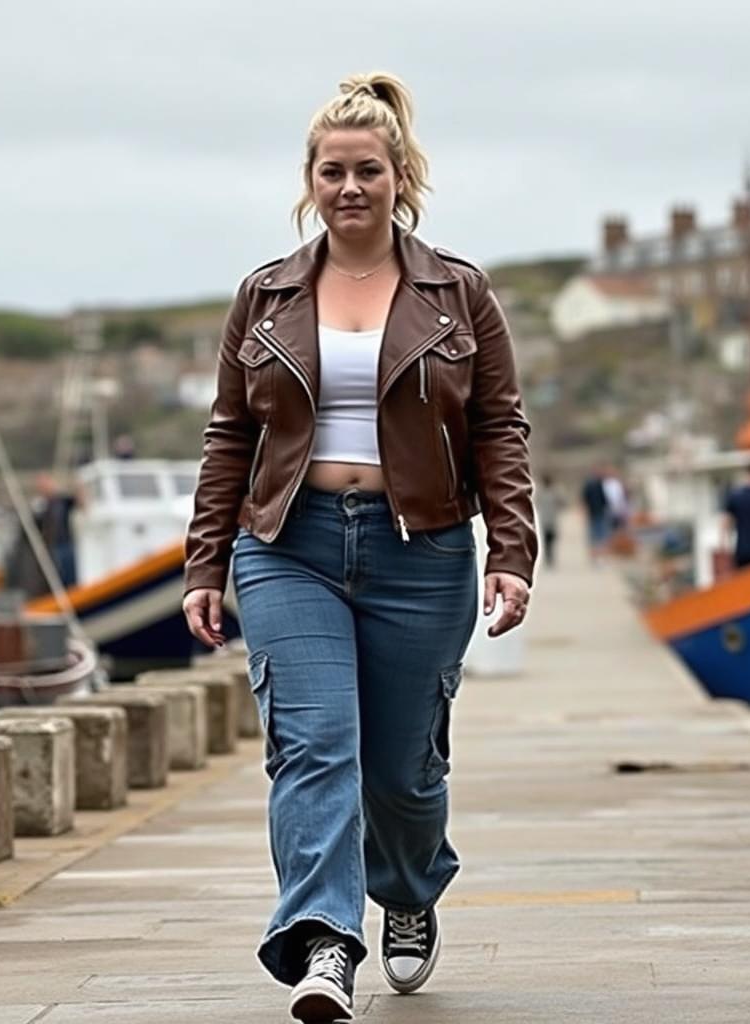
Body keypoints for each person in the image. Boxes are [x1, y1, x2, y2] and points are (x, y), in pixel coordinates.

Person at [182, 72, 537, 1023]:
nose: (350, 187)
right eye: (332, 170)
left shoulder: (457, 292)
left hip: (418, 551)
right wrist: (205, 562)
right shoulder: (263, 297)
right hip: (286, 546)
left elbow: (500, 427)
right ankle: (325, 944)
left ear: (399, 175)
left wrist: (512, 550)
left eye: (368, 170)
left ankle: (411, 890)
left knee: (404, 772)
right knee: (314, 748)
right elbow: (230, 438)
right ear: (309, 179)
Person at [580, 467, 610, 563]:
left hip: (598, 512)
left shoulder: (598, 484)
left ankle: (597, 555)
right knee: (597, 535)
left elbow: (603, 499)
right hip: (595, 512)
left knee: (597, 535)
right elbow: (586, 499)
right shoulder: (592, 484)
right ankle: (595, 556)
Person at [535, 472, 564, 569]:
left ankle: (551, 556)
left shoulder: (555, 491)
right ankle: (548, 557)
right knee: (546, 539)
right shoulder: (540, 491)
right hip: (544, 519)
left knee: (552, 538)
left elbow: (562, 502)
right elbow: (536, 502)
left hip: (552, 518)